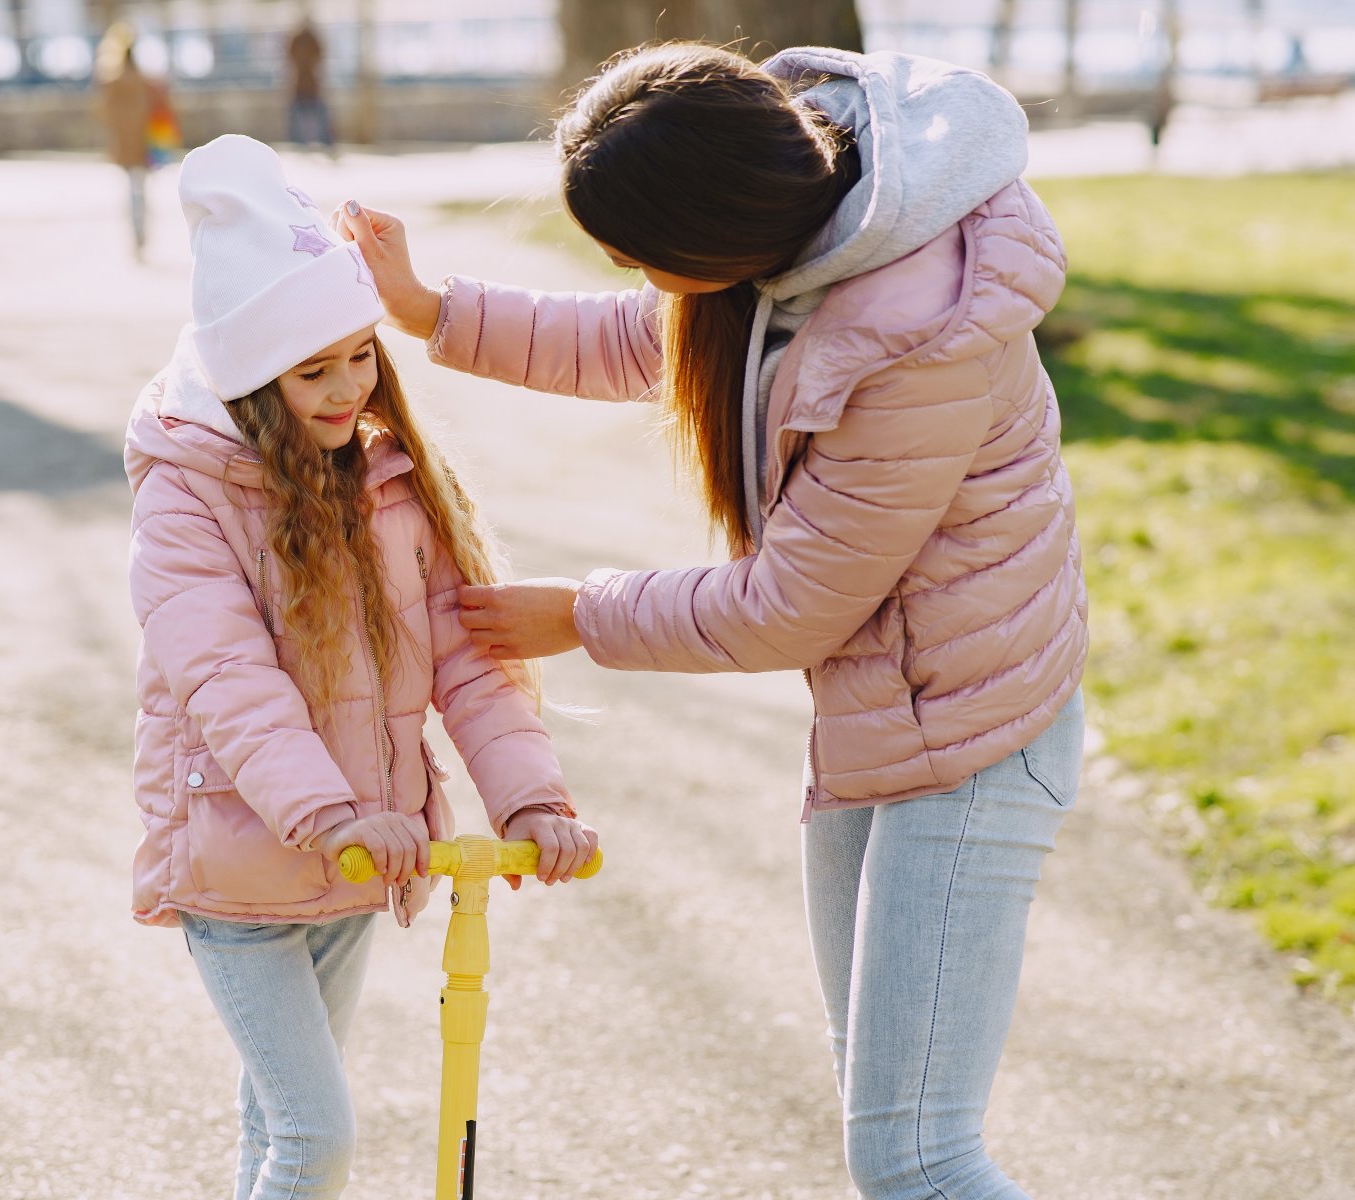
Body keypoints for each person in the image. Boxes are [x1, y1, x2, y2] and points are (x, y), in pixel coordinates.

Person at [336, 43, 1087, 1200]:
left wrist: (580, 614)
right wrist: (430, 309)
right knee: (890, 1128)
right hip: (892, 714)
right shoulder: (788, 238)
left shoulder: (918, 335)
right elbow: (645, 338)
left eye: (639, 256)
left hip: (973, 740)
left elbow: (788, 604)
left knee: (918, 1159)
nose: (631, 279)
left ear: (710, 236)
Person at [123, 134, 599, 1200]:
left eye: (360, 355)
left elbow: (468, 663)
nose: (349, 389)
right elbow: (228, 681)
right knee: (314, 1135)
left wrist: (530, 800)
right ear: (252, 375)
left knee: (276, 1124)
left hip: (353, 863)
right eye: (313, 369)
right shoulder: (188, 494)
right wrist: (331, 815)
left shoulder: (384, 482)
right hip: (244, 857)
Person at [92, 21, 178, 259]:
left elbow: (103, 111)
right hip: (145, 145)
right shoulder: (147, 81)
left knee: (133, 191)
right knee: (140, 191)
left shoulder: (111, 81)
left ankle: (138, 235)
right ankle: (141, 234)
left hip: (126, 146)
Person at [286, 14, 337, 153]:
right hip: (303, 83)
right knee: (301, 113)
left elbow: (319, 54)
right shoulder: (299, 39)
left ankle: (323, 140)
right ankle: (301, 141)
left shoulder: (305, 39)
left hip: (309, 83)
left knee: (318, 112)